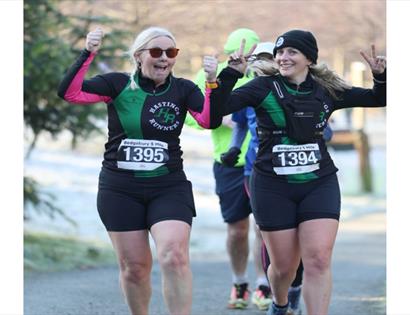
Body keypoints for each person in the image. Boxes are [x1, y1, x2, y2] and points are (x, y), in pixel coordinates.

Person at [204, 29, 386, 315]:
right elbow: (214, 116)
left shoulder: (326, 90)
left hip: (318, 183)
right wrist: (229, 74)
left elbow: (378, 99)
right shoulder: (262, 87)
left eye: (291, 52)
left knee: (318, 259)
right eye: (279, 53)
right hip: (272, 186)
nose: (283, 58)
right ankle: (280, 304)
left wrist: (380, 76)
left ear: (309, 59)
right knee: (284, 266)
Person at [57, 26, 221, 315]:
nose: (164, 59)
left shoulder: (183, 89)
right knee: (134, 268)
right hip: (120, 188)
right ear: (138, 55)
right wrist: (89, 53)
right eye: (156, 51)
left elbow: (209, 120)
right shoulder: (117, 84)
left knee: (173, 256)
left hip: (168, 186)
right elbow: (70, 93)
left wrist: (211, 82)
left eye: (171, 52)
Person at [185, 28, 271, 310]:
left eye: (255, 50)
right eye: (246, 49)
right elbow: (190, 115)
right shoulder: (214, 74)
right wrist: (219, 118)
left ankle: (263, 284)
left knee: (264, 228)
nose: (250, 55)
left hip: (264, 164)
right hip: (229, 163)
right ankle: (239, 283)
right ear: (233, 49)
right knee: (237, 229)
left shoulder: (263, 73)